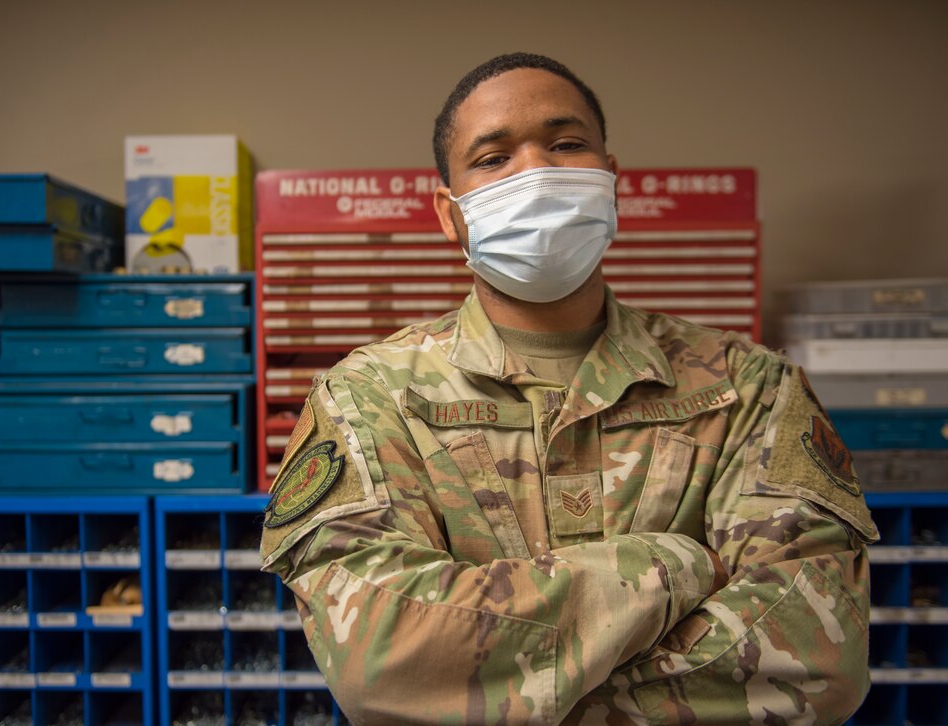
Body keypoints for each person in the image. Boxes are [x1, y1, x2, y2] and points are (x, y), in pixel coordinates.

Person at [260, 52, 878, 724]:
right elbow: (381, 659)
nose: (537, 173)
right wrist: (671, 566)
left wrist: (507, 692)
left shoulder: (751, 387)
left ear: (611, 180)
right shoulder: (368, 397)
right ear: (450, 213)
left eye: (566, 144)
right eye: (493, 158)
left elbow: (815, 653)